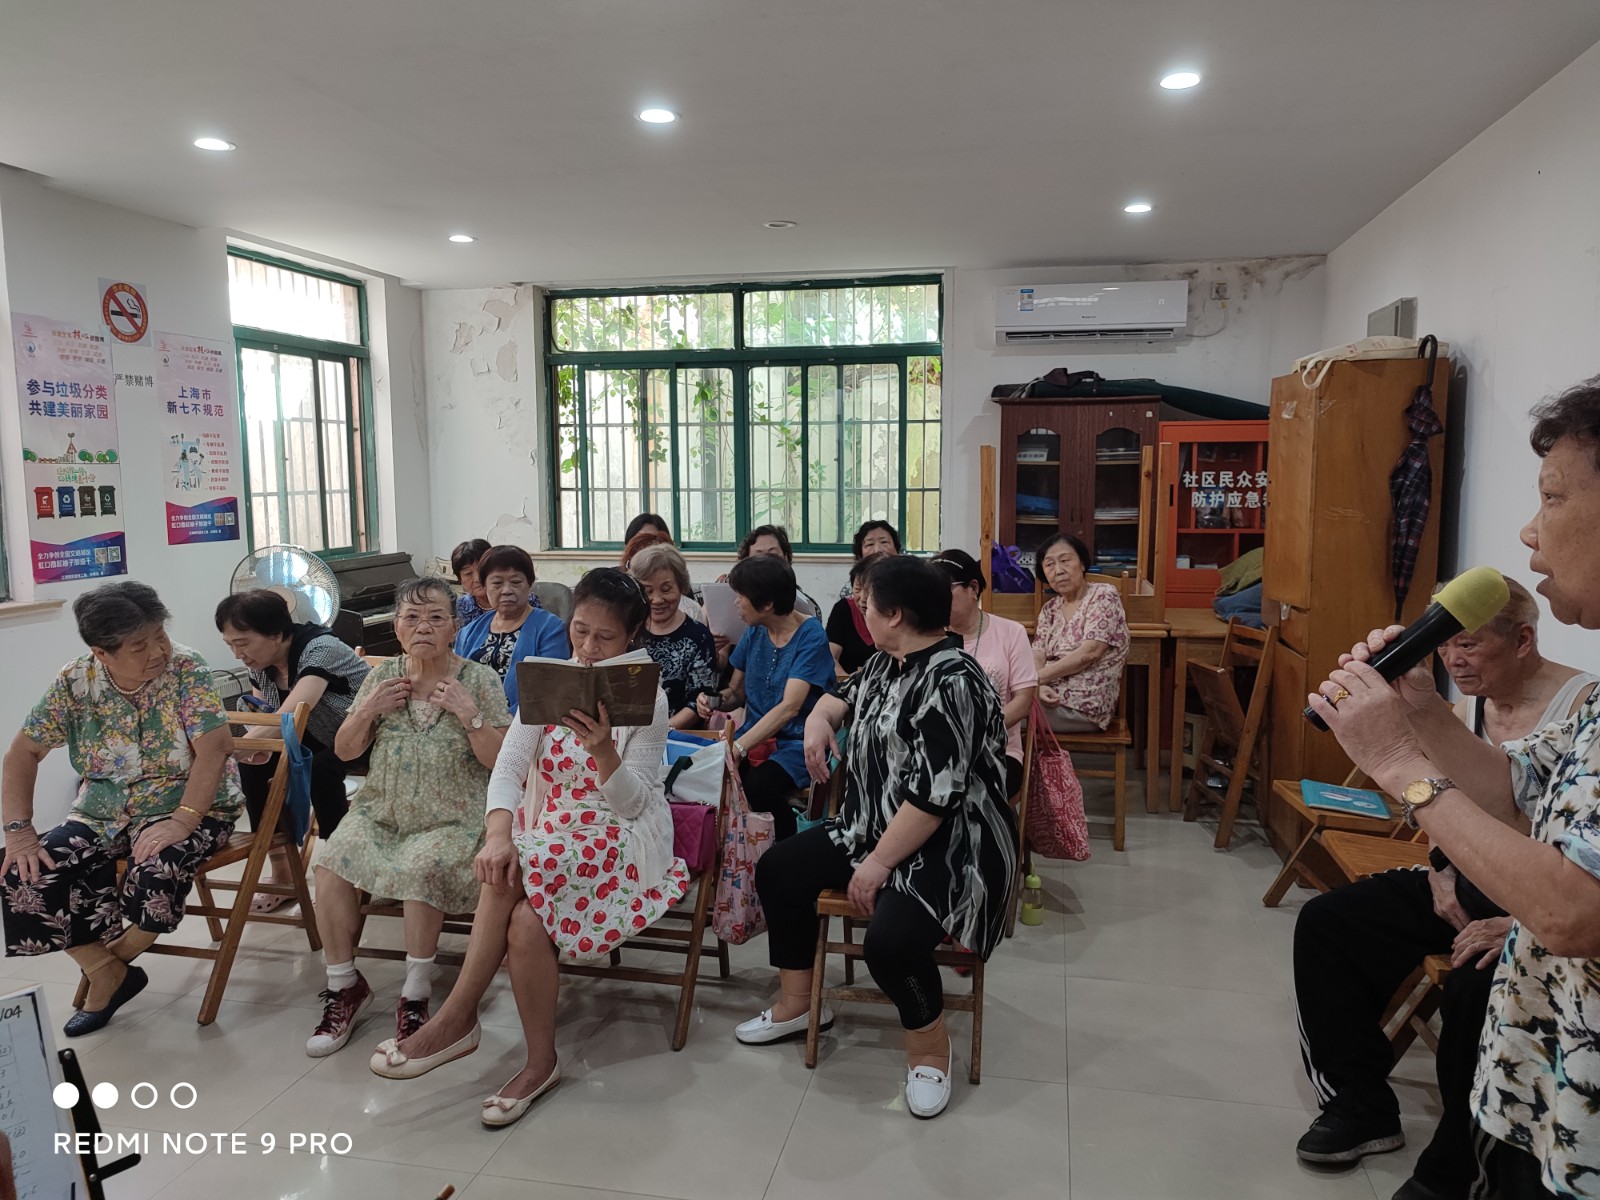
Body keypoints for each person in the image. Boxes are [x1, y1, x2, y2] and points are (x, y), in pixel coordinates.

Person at [1308, 376, 1600, 1199]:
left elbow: (1574, 912)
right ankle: (1361, 1103)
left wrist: (1399, 764)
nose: (1530, 529)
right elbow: (1514, 792)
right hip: (1543, 1088)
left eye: (1553, 497)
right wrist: (1422, 710)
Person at [366, 569, 690, 1127]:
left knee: (513, 870)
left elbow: (636, 803)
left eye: (605, 637)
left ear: (631, 637)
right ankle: (540, 1063)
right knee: (520, 912)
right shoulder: (549, 682)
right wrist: (498, 834)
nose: (588, 648)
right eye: (580, 631)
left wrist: (603, 751)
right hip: (552, 833)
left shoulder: (649, 697)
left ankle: (457, 1018)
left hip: (617, 837)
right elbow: (510, 768)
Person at [737, 555, 1017, 1120]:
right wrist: (819, 723)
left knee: (889, 944)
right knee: (779, 871)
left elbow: (934, 798)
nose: (858, 609)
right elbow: (836, 699)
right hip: (871, 826)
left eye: (865, 602)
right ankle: (799, 1003)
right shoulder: (887, 662)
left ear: (894, 615)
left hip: (952, 846)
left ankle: (929, 1049)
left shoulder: (954, 682)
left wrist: (878, 864)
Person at [0, 582, 241, 1036]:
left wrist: (182, 821)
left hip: (189, 807)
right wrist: (19, 833)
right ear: (102, 654)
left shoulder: (187, 668)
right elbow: (22, 752)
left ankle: (112, 964)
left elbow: (215, 749)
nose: (159, 651)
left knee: (157, 867)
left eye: (160, 635)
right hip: (101, 814)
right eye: (139, 646)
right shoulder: (76, 681)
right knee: (25, 872)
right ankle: (108, 972)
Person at [305, 577, 511, 1057]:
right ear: (396, 628)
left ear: (455, 628)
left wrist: (469, 714)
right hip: (382, 812)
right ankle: (343, 985)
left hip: (453, 817)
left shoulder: (479, 679)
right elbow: (345, 750)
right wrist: (367, 712)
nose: (423, 627)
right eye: (412, 618)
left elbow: (501, 762)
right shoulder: (381, 678)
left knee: (423, 867)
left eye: (436, 618)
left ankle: (415, 997)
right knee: (329, 860)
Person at [214, 590, 372, 913]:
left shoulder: (320, 649)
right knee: (255, 767)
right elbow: (263, 715)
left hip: (364, 736)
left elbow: (289, 717)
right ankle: (283, 873)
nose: (237, 654)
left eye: (242, 643)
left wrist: (222, 755)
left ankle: (340, 876)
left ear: (276, 634)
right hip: (313, 738)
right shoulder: (261, 662)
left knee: (321, 770)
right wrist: (248, 752)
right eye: (230, 645)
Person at [696, 555, 835, 840]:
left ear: (767, 604)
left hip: (797, 743)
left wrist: (739, 747)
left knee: (757, 786)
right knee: (708, 776)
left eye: (740, 597)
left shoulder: (811, 635)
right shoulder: (755, 632)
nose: (736, 603)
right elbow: (736, 693)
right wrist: (712, 701)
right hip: (755, 737)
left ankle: (790, 844)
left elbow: (790, 707)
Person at [934, 548, 1039, 799]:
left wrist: (972, 735)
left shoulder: (1011, 632)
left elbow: (1023, 702)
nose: (934, 598)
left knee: (953, 792)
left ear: (973, 588)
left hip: (997, 751)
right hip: (937, 750)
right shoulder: (927, 635)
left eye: (944, 589)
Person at [453, 544, 570, 715]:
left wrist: (503, 722)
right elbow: (456, 682)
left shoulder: (550, 628)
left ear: (529, 584)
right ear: (485, 586)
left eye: (516, 582)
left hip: (525, 722)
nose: (507, 590)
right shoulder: (469, 632)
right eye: (497, 583)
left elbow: (549, 690)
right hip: (470, 719)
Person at [1031, 532, 1128, 732]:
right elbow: (1038, 654)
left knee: (997, 713)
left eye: (1065, 560)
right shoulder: (1050, 609)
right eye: (1049, 565)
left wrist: (1033, 681)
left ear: (1082, 564)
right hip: (1044, 694)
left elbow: (1089, 653)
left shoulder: (1103, 595)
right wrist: (1038, 687)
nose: (1058, 570)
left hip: (1084, 704)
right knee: (992, 705)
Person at [631, 542, 717, 728]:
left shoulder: (698, 636)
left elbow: (697, 701)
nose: (657, 599)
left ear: (681, 587)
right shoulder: (629, 628)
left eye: (666, 589)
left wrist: (661, 732)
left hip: (675, 733)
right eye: (648, 591)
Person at [825, 559, 878, 675]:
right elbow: (829, 657)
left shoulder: (895, 617)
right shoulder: (843, 609)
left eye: (869, 590)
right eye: (857, 589)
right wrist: (850, 682)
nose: (863, 598)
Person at [838, 519, 901, 597]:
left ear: (896, 550)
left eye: (884, 542)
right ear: (860, 556)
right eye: (870, 544)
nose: (878, 550)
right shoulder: (853, 589)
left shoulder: (910, 580)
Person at [451, 538, 492, 628]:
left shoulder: (513, 601)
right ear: (460, 579)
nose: (477, 579)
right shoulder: (457, 610)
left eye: (482, 570)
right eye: (468, 573)